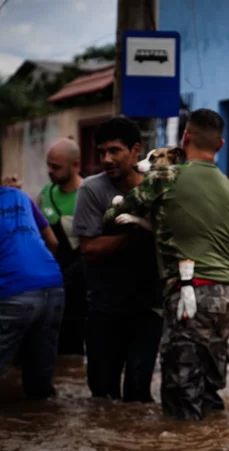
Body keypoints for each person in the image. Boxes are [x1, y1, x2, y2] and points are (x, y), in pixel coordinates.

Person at [104, 109, 229, 421]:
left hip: (189, 295)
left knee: (181, 396)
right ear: (221, 144)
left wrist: (157, 221)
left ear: (185, 138)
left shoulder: (165, 177)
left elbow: (112, 218)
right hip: (226, 298)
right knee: (209, 390)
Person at [72, 117, 163, 402]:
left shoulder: (157, 186)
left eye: (114, 151)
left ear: (136, 150)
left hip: (148, 308)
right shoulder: (92, 190)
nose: (107, 159)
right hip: (104, 309)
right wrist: (135, 232)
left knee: (138, 396)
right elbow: (88, 248)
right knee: (103, 396)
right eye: (101, 153)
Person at [0, 184, 65, 399]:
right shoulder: (20, 195)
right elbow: (53, 242)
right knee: (40, 385)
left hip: (15, 291)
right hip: (52, 283)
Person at [39, 138, 87, 355]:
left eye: (56, 167)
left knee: (73, 344)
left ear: (75, 165)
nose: (50, 171)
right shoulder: (46, 193)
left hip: (79, 286)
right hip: (51, 282)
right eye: (48, 165)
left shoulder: (88, 195)